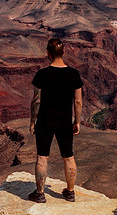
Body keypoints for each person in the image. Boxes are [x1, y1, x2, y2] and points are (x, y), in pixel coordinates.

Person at [29, 37, 83, 203]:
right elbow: (78, 101)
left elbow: (36, 100)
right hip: (64, 121)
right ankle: (70, 192)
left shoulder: (42, 74)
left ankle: (40, 193)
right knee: (68, 156)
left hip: (45, 120)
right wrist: (77, 122)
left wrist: (32, 121)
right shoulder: (73, 74)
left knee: (42, 157)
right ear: (63, 52)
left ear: (48, 54)